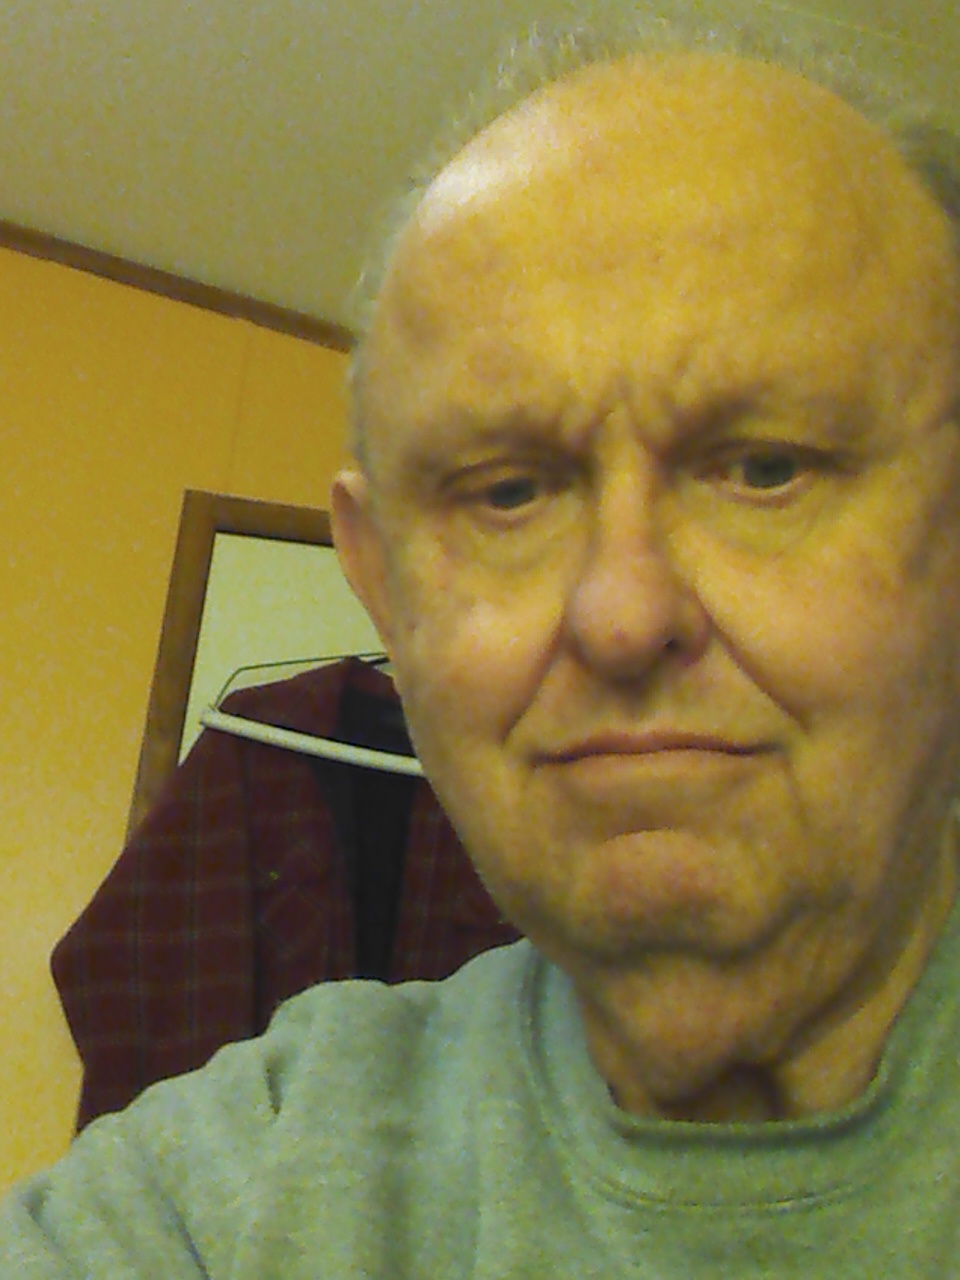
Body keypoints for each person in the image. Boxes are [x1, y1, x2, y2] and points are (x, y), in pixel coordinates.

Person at [6, 9, 960, 1275]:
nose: (622, 613)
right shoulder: (226, 1191)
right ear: (382, 582)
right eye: (508, 492)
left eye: (767, 467)